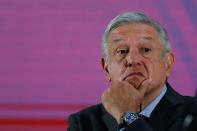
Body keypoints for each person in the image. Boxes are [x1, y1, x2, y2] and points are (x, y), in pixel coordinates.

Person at [67, 12, 197, 131]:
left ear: (168, 63)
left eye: (146, 49)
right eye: (122, 51)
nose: (132, 60)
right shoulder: (84, 123)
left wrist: (127, 117)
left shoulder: (193, 114)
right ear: (106, 68)